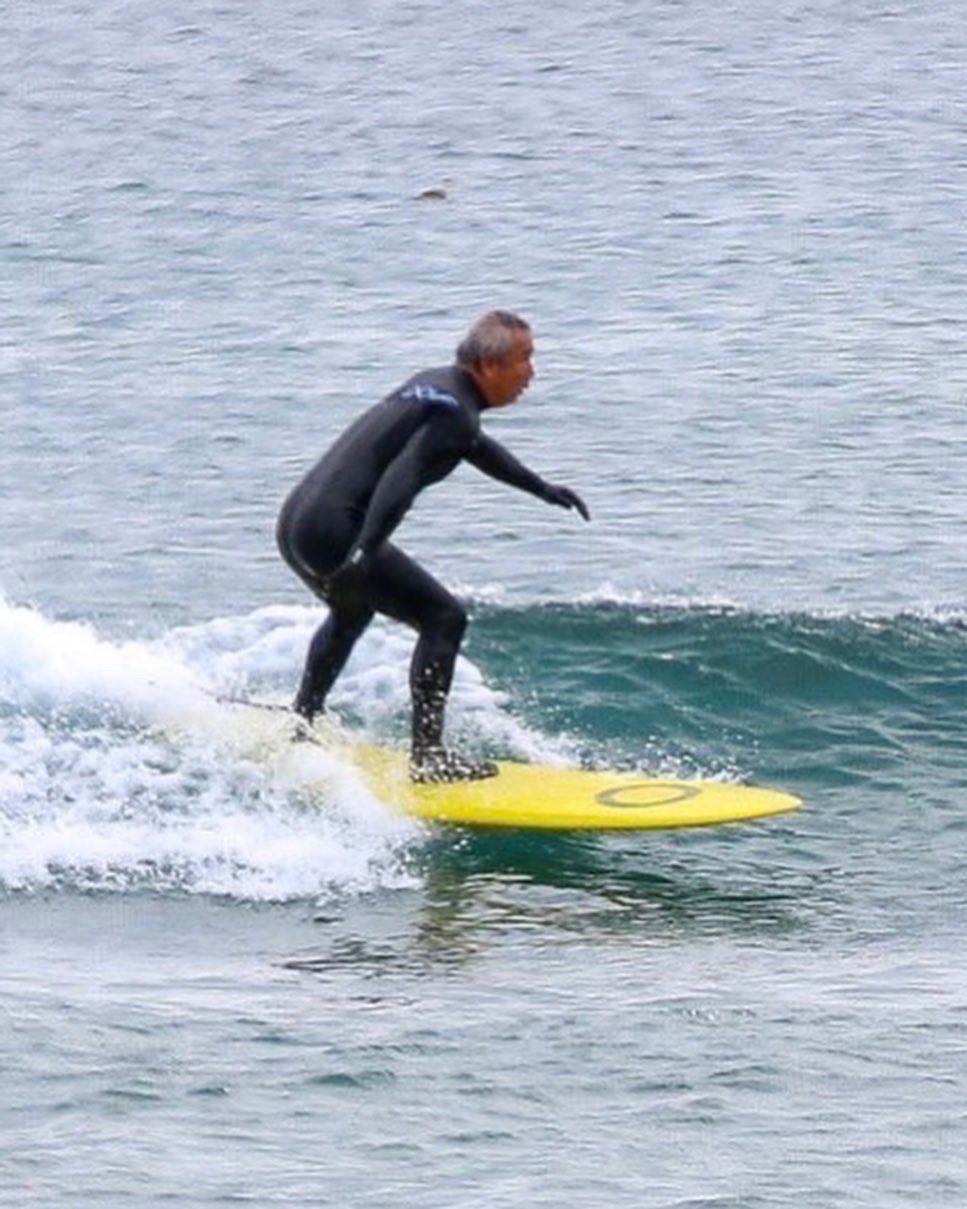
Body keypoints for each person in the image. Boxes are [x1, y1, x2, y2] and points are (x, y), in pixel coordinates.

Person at [276, 310, 589, 782]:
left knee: (352, 612)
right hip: (337, 533)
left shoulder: (436, 387)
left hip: (297, 522)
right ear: (488, 364)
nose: (532, 373)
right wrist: (366, 551)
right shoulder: (455, 415)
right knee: (444, 617)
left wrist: (540, 487)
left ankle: (303, 720)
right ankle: (428, 756)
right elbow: (399, 483)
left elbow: (476, 446)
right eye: (525, 359)